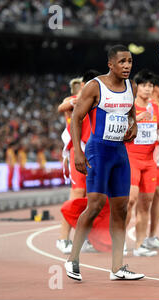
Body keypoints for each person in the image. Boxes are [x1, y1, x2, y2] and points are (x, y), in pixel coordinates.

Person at [64, 44, 144, 281]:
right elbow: (77, 117)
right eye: (122, 62)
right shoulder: (94, 86)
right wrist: (78, 152)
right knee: (96, 204)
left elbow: (130, 111)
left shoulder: (132, 86)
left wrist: (135, 125)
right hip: (98, 150)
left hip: (119, 152)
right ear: (111, 64)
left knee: (121, 208)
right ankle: (72, 259)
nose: (127, 66)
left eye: (130, 61)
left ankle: (117, 267)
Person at [56, 71, 100, 254]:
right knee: (77, 194)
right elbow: (62, 107)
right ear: (82, 85)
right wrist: (73, 102)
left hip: (95, 152)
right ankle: (63, 238)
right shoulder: (75, 99)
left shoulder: (99, 100)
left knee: (91, 198)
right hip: (78, 150)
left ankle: (85, 238)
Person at [124, 69, 159, 257]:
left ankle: (140, 245)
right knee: (130, 200)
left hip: (150, 162)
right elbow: (120, 133)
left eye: (150, 86)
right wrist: (136, 120)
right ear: (136, 87)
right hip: (131, 159)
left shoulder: (155, 108)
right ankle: (121, 240)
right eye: (144, 86)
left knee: (145, 205)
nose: (148, 89)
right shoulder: (128, 107)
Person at [142, 73, 159, 250]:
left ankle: (150, 236)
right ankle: (144, 237)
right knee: (140, 199)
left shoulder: (156, 106)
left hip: (156, 156)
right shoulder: (150, 105)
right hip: (141, 156)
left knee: (158, 194)